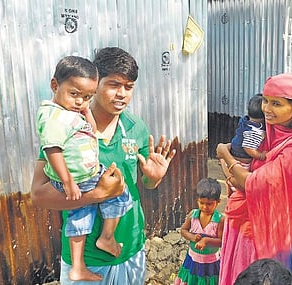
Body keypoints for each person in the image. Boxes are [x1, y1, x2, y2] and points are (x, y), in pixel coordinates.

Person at [31, 47, 176, 284]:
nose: (122, 94)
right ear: (95, 83)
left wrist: (154, 177)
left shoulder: (136, 127)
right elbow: (38, 195)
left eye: (128, 87)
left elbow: (146, 185)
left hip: (130, 249)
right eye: (114, 85)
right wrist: (97, 194)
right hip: (86, 258)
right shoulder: (66, 127)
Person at [216, 73, 292, 285]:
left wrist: (225, 155)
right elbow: (245, 177)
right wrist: (237, 173)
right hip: (246, 223)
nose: (266, 108)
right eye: (265, 100)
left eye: (276, 103)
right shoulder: (270, 132)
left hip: (269, 237)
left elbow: (250, 183)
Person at [36, 55, 133, 281]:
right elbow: (52, 150)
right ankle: (106, 237)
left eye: (87, 97)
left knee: (80, 215)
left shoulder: (70, 113)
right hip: (80, 178)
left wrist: (86, 111)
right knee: (119, 193)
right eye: (75, 94)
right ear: (54, 85)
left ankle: (78, 266)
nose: (81, 102)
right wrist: (71, 183)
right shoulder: (55, 118)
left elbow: (86, 126)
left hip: (81, 178)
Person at [174, 178, 225, 285]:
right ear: (197, 200)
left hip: (210, 264)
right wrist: (192, 237)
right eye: (202, 203)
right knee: (192, 280)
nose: (205, 207)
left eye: (209, 204)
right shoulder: (193, 215)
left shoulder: (220, 220)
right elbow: (183, 230)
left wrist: (206, 240)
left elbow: (221, 241)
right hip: (193, 260)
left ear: (218, 202)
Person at [230, 94, 266, 165]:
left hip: (234, 149)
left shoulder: (245, 120)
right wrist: (260, 156)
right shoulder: (254, 131)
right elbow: (247, 147)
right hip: (242, 156)